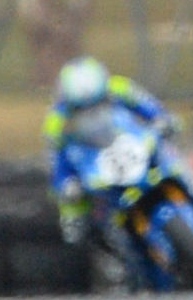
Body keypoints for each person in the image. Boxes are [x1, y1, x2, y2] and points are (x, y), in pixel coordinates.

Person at [43, 56, 177, 247]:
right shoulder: (57, 120)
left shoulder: (120, 88)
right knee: (74, 212)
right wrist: (66, 184)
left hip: (127, 142)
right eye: (82, 108)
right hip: (93, 159)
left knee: (167, 152)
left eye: (97, 103)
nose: (91, 111)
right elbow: (56, 160)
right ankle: (102, 243)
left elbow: (148, 106)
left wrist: (163, 120)